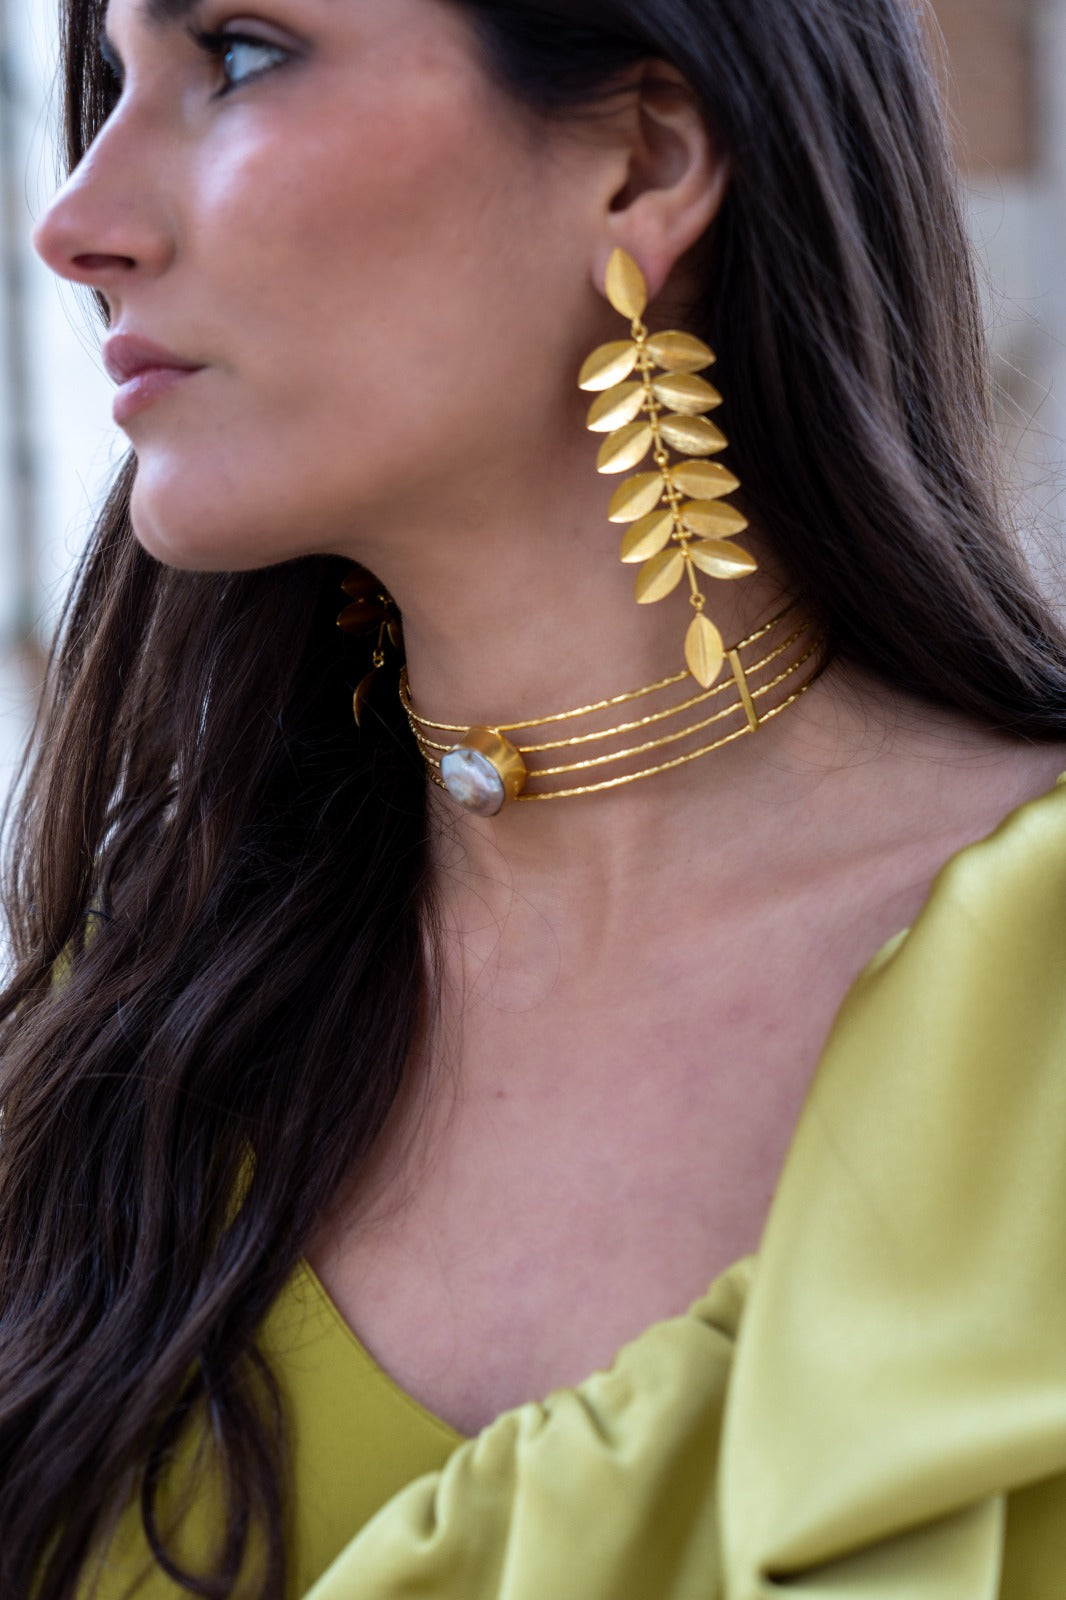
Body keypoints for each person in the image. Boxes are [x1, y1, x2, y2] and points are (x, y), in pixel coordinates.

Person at [3, 0, 1066, 1594]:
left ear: (644, 162)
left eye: (239, 53)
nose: (76, 224)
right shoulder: (112, 1059)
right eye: (106, 85)